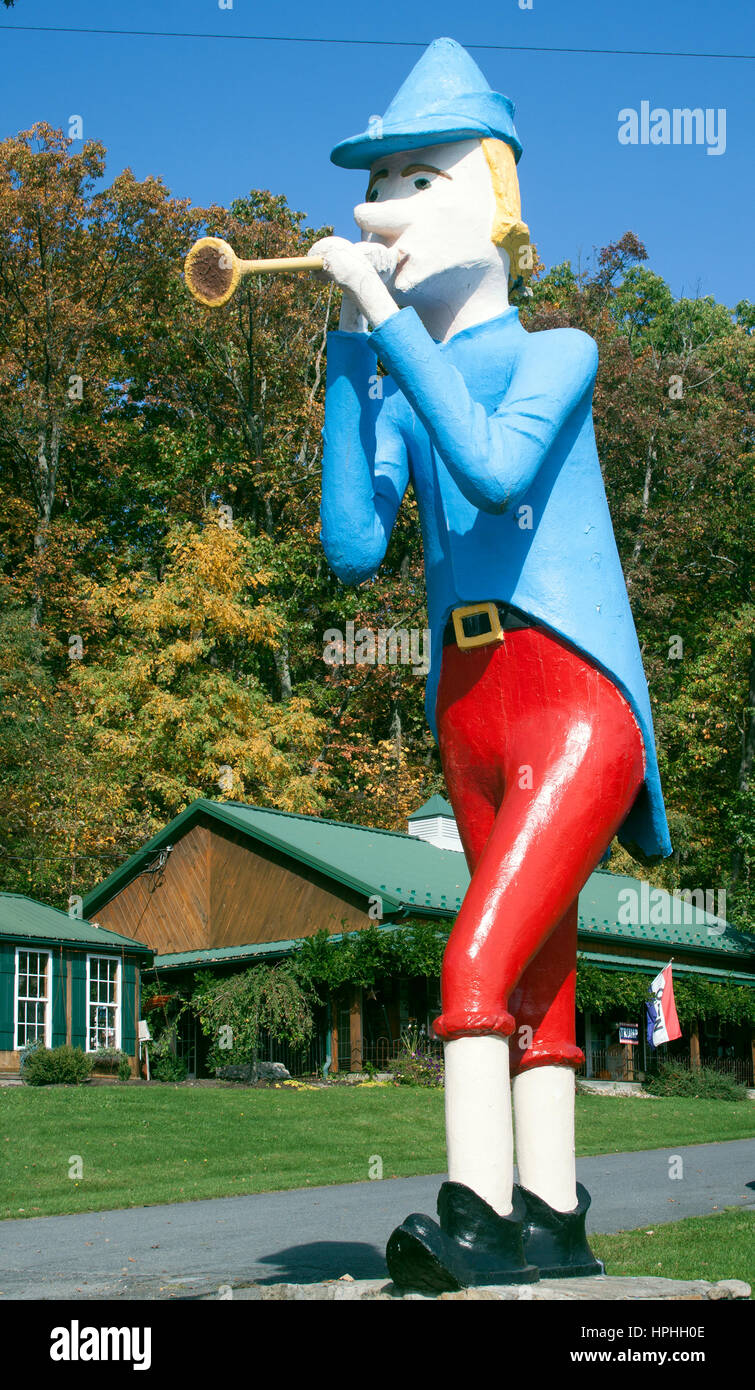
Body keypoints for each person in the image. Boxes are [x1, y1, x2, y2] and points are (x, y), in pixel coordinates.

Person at [311, 37, 671, 1292]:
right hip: (467, 707)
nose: (378, 211)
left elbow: (497, 468)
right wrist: (345, 377)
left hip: (569, 698)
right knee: (537, 973)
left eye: (411, 181)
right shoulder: (406, 378)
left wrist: (380, 326)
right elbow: (355, 547)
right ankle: (552, 1222)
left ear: (489, 200)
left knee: (475, 958)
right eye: (376, 184)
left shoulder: (557, 351)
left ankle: (467, 1217)